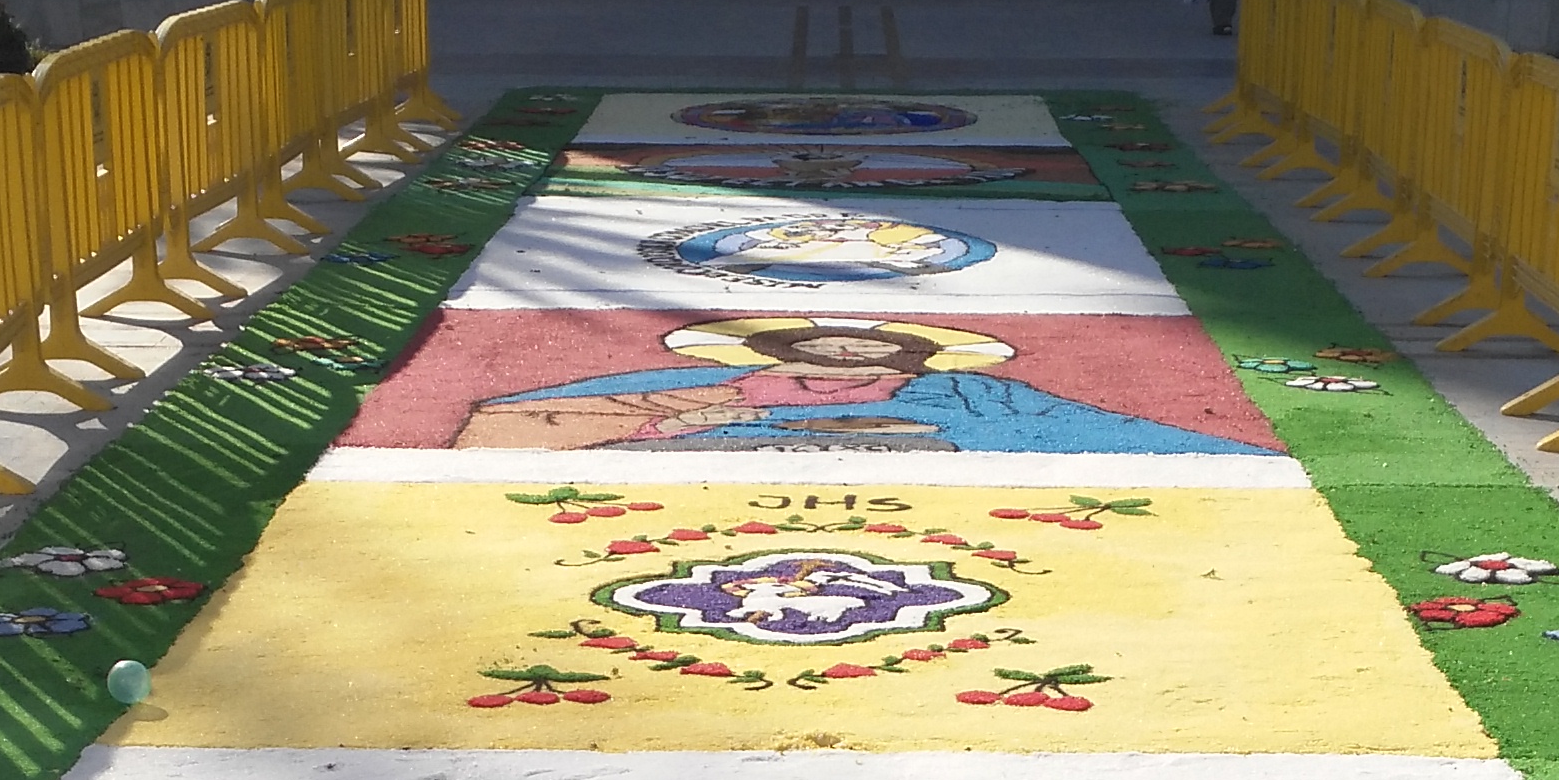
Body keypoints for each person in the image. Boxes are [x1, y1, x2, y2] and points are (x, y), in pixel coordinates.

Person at [455, 315, 1271, 456]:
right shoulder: (696, 382)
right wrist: (698, 413)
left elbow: (1077, 425)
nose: (845, 353)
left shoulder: (967, 396)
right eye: (830, 345)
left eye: (864, 349)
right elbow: (524, 417)